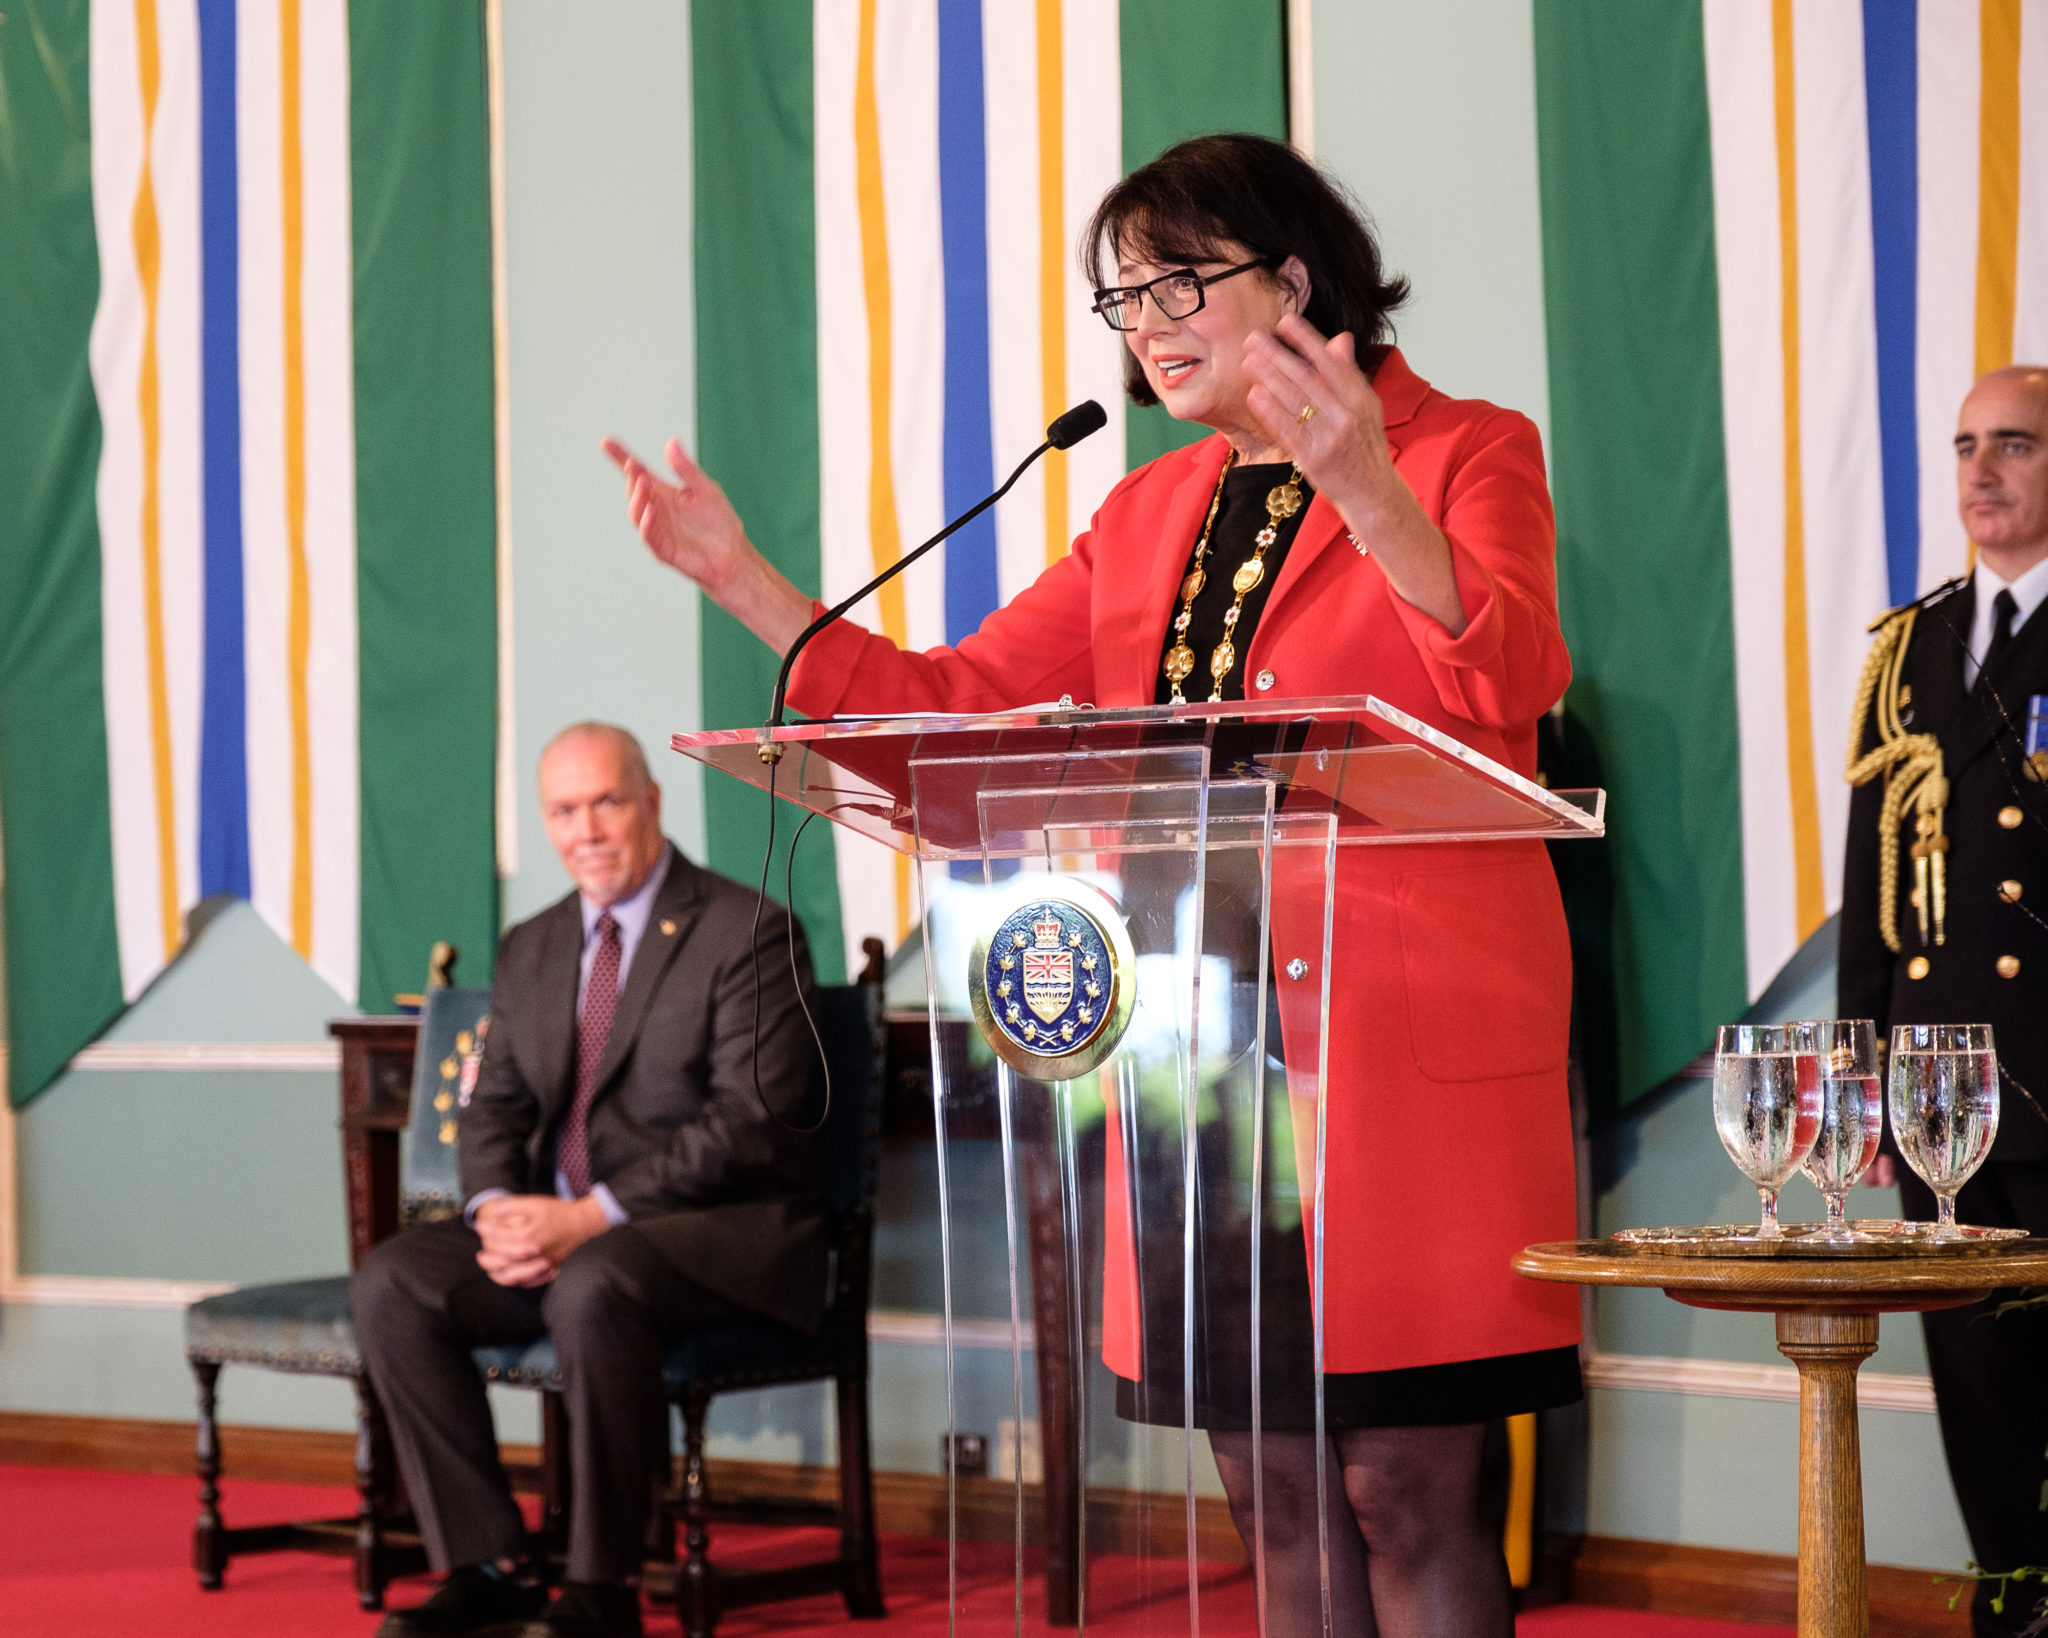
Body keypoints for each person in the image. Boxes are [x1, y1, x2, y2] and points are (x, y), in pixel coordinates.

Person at [606, 132, 1580, 1638]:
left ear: (1293, 282)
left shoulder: (1464, 450)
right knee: (1274, 1489)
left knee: (1402, 1485)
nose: (1145, 323)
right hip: (1202, 1056)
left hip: (1395, 1056)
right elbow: (950, 707)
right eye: (1122, 297)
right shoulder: (1144, 516)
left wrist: (1364, 488)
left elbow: (1508, 679)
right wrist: (743, 579)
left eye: (1177, 281)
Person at [352, 723, 824, 1638]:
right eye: (564, 811)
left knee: (595, 1282)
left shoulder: (749, 930)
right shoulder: (532, 945)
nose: (587, 831)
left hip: (719, 1229)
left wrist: (589, 1217)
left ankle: (602, 1589)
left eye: (606, 802)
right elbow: (493, 1107)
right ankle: (489, 1563)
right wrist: (496, 1211)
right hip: (568, 1230)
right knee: (393, 1283)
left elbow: (749, 1123)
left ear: (651, 801)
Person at [1840, 365, 2048, 1638]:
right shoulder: (1909, 646)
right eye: (1966, 445)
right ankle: (2011, 1592)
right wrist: (1866, 1075)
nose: (1980, 470)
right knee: (1973, 1367)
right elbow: (1872, 879)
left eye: (2013, 444)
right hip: (1944, 1087)